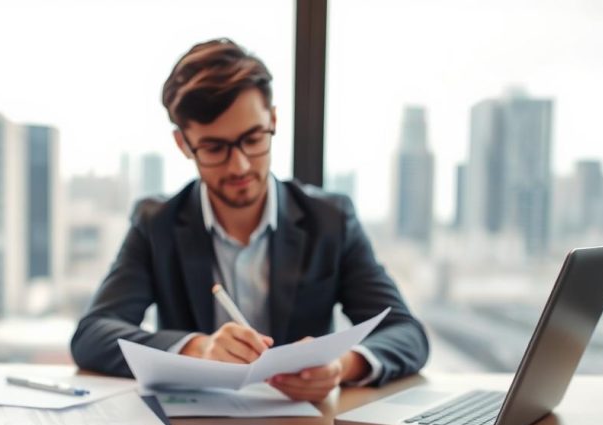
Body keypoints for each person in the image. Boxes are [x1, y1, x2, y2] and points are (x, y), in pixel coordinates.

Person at [70, 38, 429, 401]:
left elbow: (407, 333)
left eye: (253, 138)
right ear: (183, 144)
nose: (239, 165)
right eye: (214, 148)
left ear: (273, 119)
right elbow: (92, 335)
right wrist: (199, 349)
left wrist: (341, 365)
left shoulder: (330, 219)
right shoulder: (156, 223)